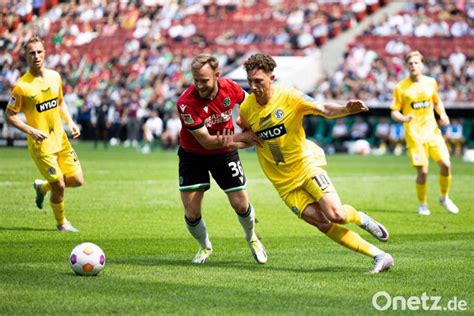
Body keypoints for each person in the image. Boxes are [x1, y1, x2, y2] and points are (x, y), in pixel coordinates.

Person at [221, 53, 393, 273]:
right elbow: (251, 138)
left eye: (259, 81)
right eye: (250, 81)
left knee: (337, 215)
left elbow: (322, 109)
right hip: (283, 184)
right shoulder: (246, 109)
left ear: (271, 77)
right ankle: (379, 255)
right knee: (322, 223)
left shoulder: (289, 96)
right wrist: (232, 142)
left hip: (305, 166)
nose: (253, 87)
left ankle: (360, 218)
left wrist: (346, 109)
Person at [176, 53, 267, 264]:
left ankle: (252, 238)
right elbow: (206, 141)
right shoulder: (185, 103)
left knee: (241, 204)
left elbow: (250, 106)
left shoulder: (231, 88)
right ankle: (204, 246)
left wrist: (247, 122)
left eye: (204, 80)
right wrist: (242, 137)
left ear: (217, 75)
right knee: (191, 212)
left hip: (224, 153)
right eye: (195, 80)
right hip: (193, 154)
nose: (199, 85)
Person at [5, 35, 83, 232]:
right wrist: (31, 130)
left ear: (45, 53)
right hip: (41, 146)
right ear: (26, 56)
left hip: (61, 139)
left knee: (77, 180)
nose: (36, 56)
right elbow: (10, 116)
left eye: (39, 52)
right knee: (60, 186)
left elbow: (59, 102)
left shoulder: (55, 76)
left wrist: (70, 122)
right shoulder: (22, 87)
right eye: (32, 53)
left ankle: (42, 187)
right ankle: (62, 223)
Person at [390, 51, 459, 216]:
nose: (413, 66)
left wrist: (443, 114)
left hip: (433, 132)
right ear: (407, 66)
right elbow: (394, 111)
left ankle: (444, 197)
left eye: (416, 63)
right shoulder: (401, 87)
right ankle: (422, 204)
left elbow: (437, 102)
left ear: (422, 65)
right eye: (410, 63)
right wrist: (403, 117)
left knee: (446, 165)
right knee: (423, 172)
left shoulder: (431, 82)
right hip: (414, 135)